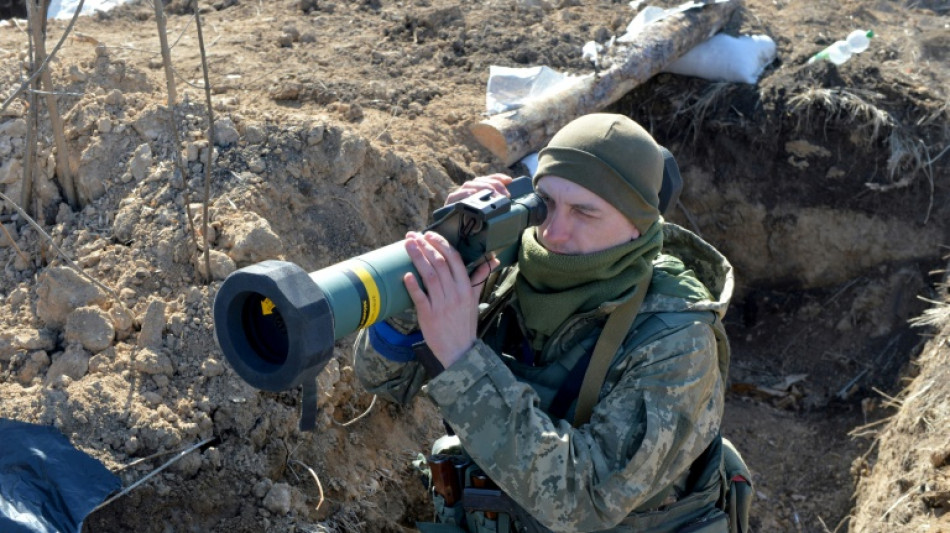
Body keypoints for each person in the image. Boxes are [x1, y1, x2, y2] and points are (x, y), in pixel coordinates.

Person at [355, 113, 746, 532]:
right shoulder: (504, 273)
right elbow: (384, 382)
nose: (554, 233)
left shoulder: (678, 339)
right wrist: (437, 269)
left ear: (638, 224)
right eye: (547, 203)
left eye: (584, 212)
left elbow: (586, 500)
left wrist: (461, 361)